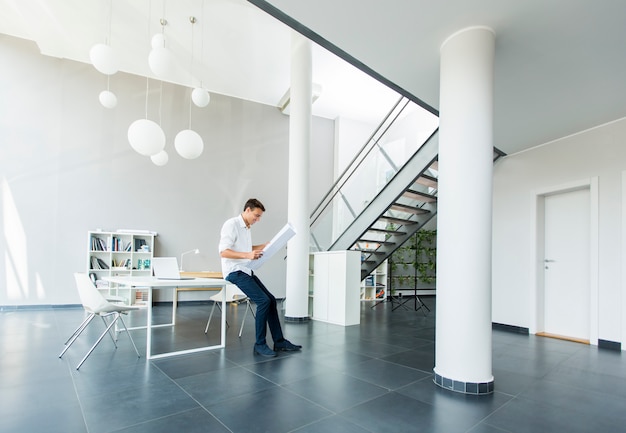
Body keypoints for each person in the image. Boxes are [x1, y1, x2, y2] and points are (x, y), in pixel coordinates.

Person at [219, 198, 302, 357]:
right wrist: (248, 254)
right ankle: (259, 344)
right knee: (263, 301)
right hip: (234, 271)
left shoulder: (247, 227)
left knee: (270, 299)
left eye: (259, 217)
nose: (258, 219)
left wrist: (263, 246)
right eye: (256, 216)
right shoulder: (231, 225)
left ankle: (279, 342)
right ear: (248, 210)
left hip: (245, 270)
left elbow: (245, 248)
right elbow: (224, 252)